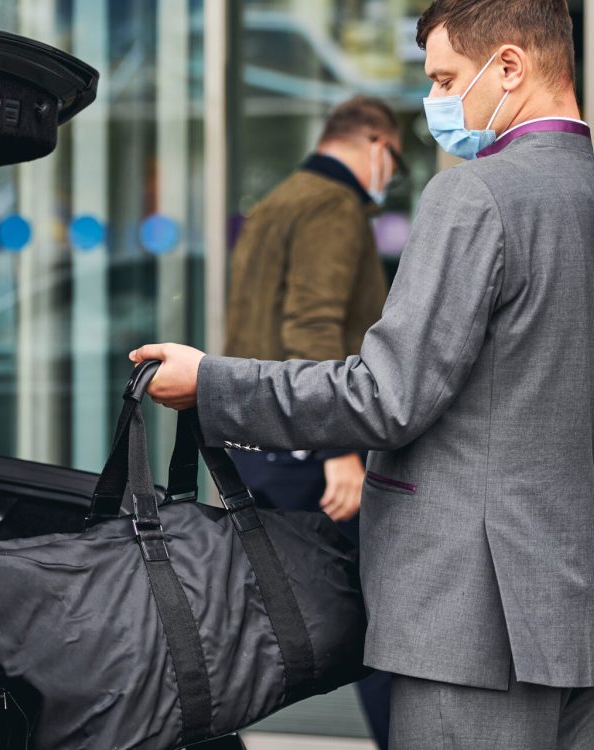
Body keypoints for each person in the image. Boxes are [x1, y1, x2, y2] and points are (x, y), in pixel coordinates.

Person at [130, 0, 594, 747]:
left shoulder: (472, 194)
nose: (436, 102)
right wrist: (559, 571)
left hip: (465, 625)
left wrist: (213, 384)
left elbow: (388, 393)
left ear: (509, 66)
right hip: (571, 622)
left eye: (446, 78)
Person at [224, 95, 402, 747]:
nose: (392, 178)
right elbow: (313, 326)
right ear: (376, 143)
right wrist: (339, 449)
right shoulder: (335, 207)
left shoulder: (274, 203)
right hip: (311, 453)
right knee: (375, 621)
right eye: (397, 161)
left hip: (256, 445)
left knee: (251, 619)